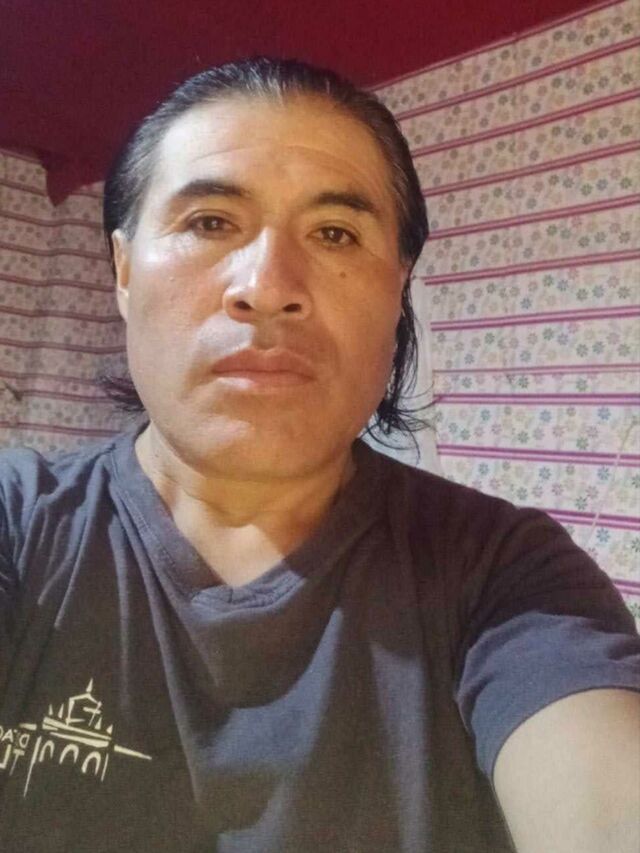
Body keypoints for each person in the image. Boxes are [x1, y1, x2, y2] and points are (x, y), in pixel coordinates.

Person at [0, 57, 638, 853]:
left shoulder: (506, 575)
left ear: (397, 287)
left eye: (335, 233)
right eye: (210, 222)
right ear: (124, 273)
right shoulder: (16, 523)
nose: (269, 286)